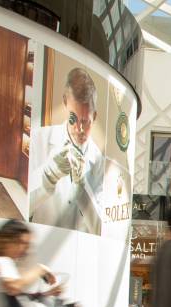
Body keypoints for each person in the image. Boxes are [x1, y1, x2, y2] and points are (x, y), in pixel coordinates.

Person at [29, 68, 104, 234]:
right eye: (73, 119)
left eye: (86, 122)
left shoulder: (99, 160)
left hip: (79, 253)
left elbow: (100, 229)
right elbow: (23, 207)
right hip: (41, 248)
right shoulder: (39, 139)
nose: (80, 129)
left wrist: (83, 189)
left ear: (95, 116)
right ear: (65, 102)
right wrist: (48, 175)